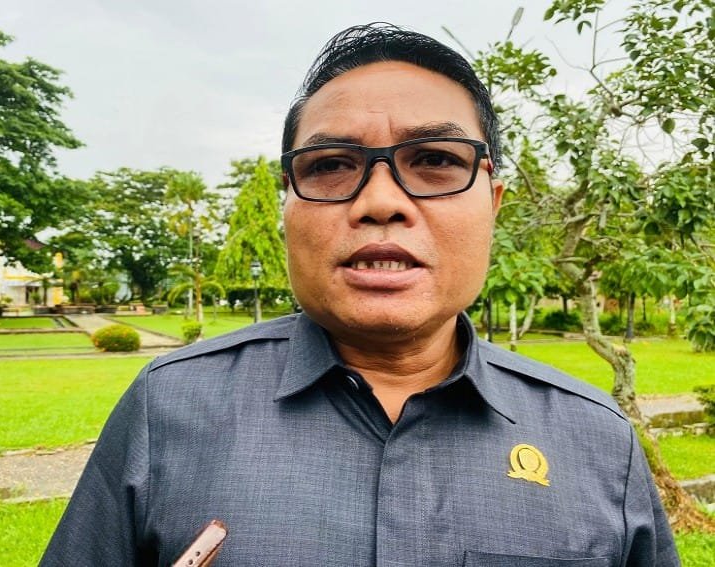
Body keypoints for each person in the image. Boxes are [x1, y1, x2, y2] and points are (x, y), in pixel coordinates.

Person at [41, 23, 679, 566]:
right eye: (330, 166)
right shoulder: (168, 407)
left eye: (435, 159)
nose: (380, 201)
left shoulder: (597, 438)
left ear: (493, 203)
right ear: (286, 208)